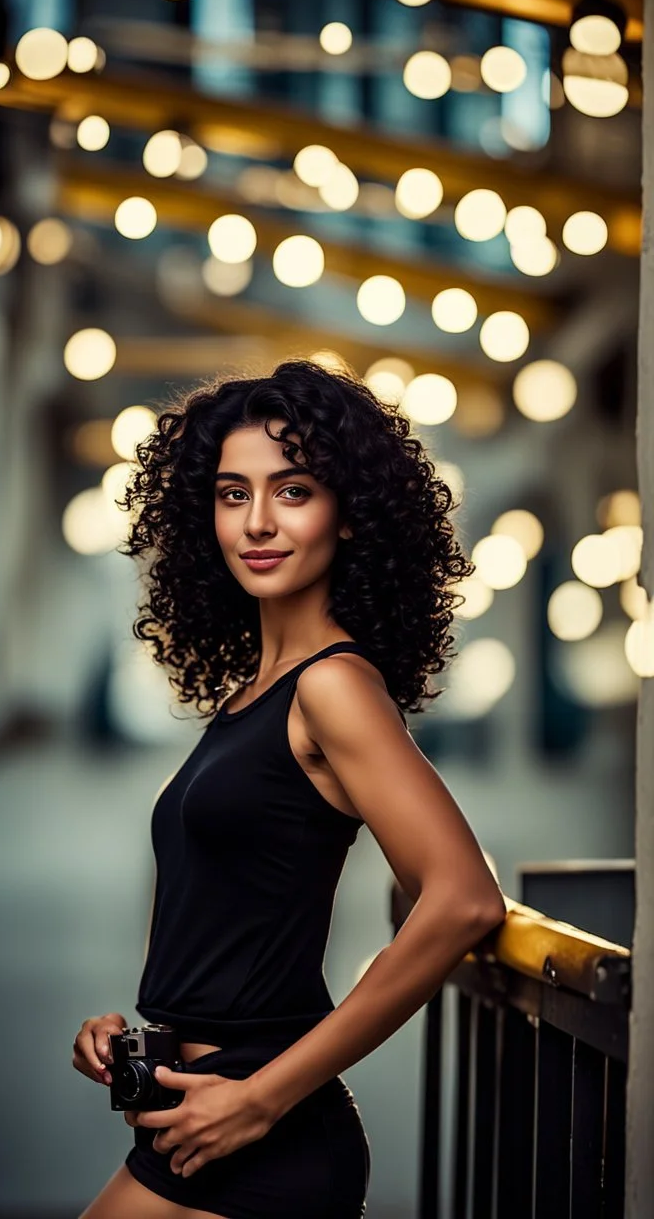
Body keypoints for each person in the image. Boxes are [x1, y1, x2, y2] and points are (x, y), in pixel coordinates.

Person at [73, 358, 507, 1219]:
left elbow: (462, 900)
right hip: (190, 1111)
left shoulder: (333, 686)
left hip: (263, 1132)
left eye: (294, 490)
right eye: (233, 494)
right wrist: (133, 1031)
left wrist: (264, 1095)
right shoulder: (252, 695)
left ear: (348, 515)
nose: (258, 522)